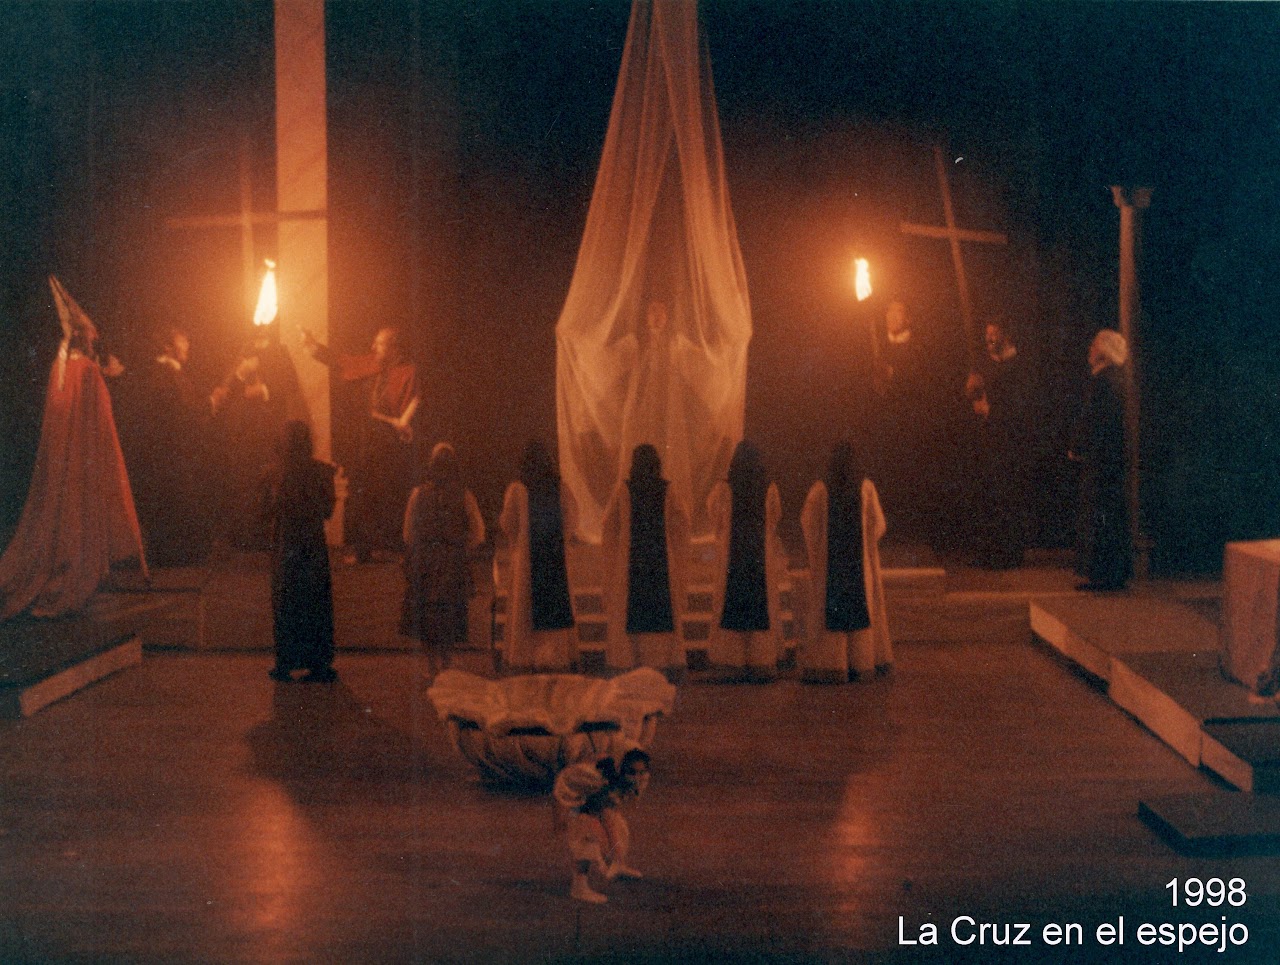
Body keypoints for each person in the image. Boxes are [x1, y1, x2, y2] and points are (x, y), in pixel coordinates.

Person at [0, 276, 147, 619]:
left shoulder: (62, 365)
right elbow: (99, 423)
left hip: (61, 466)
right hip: (83, 465)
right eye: (92, 333)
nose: (96, 336)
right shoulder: (84, 371)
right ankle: (78, 571)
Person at [303, 326, 419, 564]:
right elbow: (344, 362)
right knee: (363, 492)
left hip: (391, 445)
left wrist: (401, 424)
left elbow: (410, 409)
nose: (373, 347)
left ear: (394, 348)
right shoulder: (372, 364)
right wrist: (314, 347)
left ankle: (393, 549)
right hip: (368, 440)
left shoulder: (408, 372)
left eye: (380, 344)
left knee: (390, 494)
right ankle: (363, 550)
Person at [799, 441, 891, 683]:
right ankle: (860, 663)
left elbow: (808, 524)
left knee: (831, 611)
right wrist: (866, 542)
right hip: (859, 565)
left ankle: (833, 664)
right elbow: (879, 524)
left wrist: (818, 552)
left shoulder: (820, 489)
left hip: (831, 565)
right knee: (861, 608)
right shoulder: (866, 488)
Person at [211, 321, 306, 551]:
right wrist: (241, 374)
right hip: (244, 432)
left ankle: (265, 536)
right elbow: (228, 388)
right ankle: (245, 536)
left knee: (268, 480)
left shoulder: (279, 351)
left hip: (268, 429)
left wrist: (264, 390)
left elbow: (290, 383)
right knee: (245, 481)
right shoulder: (243, 350)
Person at [600, 444, 689, 681]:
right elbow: (682, 524)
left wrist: (614, 555)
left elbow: (608, 526)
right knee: (661, 609)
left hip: (630, 561)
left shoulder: (623, 490)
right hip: (661, 561)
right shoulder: (667, 490)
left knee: (628, 610)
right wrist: (675, 551)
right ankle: (661, 662)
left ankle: (629, 660)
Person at [400, 442, 485, 677]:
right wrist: (461, 547)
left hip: (425, 561)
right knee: (449, 613)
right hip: (452, 562)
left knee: (427, 614)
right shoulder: (464, 495)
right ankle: (446, 664)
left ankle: (432, 666)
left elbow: (408, 532)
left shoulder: (418, 494)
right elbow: (478, 532)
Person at [130, 326, 211, 566]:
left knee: (176, 501)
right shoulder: (164, 374)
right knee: (174, 501)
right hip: (169, 454)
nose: (187, 345)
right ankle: (173, 557)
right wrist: (210, 403)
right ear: (168, 347)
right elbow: (183, 410)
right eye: (181, 341)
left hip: (174, 453)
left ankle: (175, 555)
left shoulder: (170, 373)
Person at [705, 441, 786, 682]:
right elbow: (774, 517)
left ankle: (731, 661)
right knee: (762, 603)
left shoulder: (723, 488)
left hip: (732, 553)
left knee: (729, 603)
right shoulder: (769, 487)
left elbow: (714, 515)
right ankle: (761, 660)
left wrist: (724, 533)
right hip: (760, 555)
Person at [499, 440, 579, 674]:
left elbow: (507, 523)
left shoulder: (517, 489)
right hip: (553, 558)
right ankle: (555, 658)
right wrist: (559, 539)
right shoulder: (560, 488)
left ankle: (525, 657)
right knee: (554, 606)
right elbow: (572, 518)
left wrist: (519, 542)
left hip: (526, 560)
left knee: (524, 608)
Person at [268, 420, 338, 683]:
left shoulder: (276, 473)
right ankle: (318, 662)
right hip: (312, 545)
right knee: (315, 601)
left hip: (286, 545)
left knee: (287, 601)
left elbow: (266, 510)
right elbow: (327, 510)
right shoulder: (321, 472)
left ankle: (286, 661)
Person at [1069, 329, 1132, 591]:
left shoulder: (1102, 381)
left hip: (1100, 460)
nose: (1090, 350)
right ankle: (1112, 572)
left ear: (1104, 351)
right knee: (1108, 515)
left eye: (1094, 345)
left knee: (1099, 515)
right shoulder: (1117, 379)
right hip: (1112, 459)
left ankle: (1101, 574)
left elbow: (1092, 420)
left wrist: (1078, 446)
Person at [965, 319, 1030, 567]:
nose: (989, 338)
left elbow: (1020, 403)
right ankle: (989, 552)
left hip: (1011, 440)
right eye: (987, 333)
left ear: (1006, 335)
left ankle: (1010, 553)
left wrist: (993, 410)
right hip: (989, 440)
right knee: (989, 494)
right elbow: (974, 393)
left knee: (1009, 495)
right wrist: (974, 394)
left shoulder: (1018, 365)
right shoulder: (984, 365)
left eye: (994, 333)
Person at [552, 747, 651, 904]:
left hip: (593, 798)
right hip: (571, 800)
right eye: (631, 772)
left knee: (618, 827)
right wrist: (559, 819)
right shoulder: (596, 778)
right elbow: (564, 784)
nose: (637, 778)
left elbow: (608, 807)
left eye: (641, 772)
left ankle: (617, 864)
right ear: (621, 770)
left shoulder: (638, 779)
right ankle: (579, 886)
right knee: (586, 834)